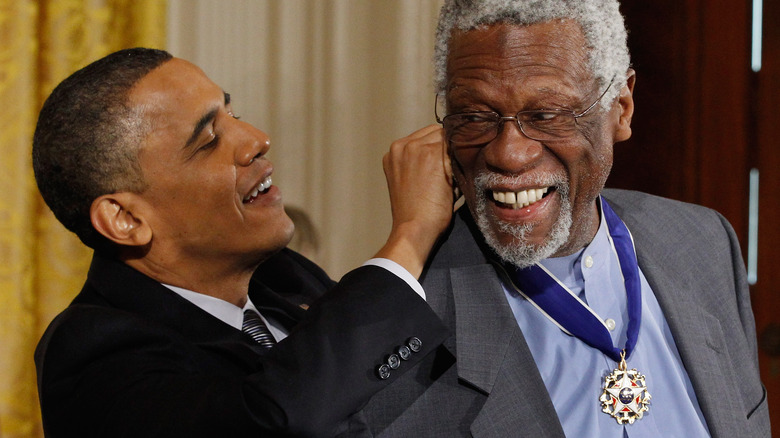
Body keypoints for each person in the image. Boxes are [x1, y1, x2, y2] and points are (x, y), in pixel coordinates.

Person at [352, 1, 771, 437]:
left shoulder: (703, 243)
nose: (508, 154)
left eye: (547, 115)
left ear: (622, 107)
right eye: (475, 117)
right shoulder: (404, 331)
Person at [32, 48, 455, 437]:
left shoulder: (283, 275)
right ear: (126, 219)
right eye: (208, 140)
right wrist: (410, 234)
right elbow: (271, 419)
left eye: (233, 114)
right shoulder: (92, 352)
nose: (256, 139)